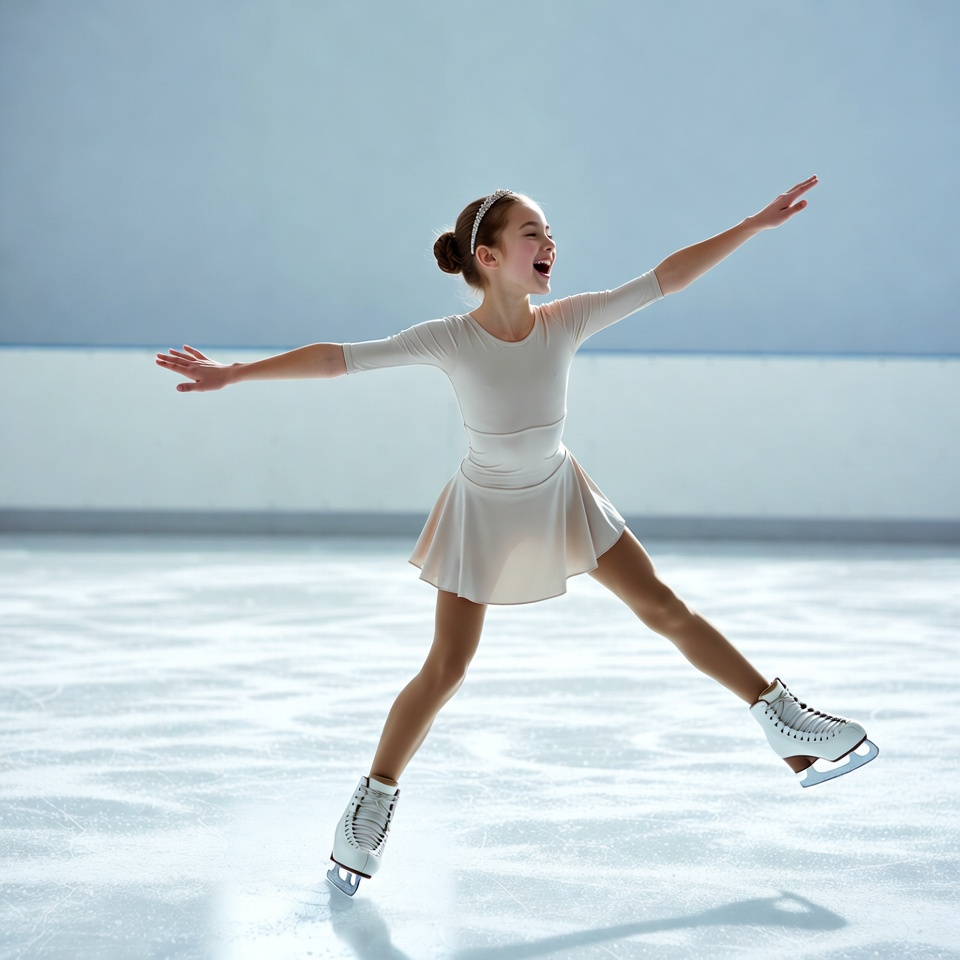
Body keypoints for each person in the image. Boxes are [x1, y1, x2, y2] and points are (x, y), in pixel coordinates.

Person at [156, 177, 877, 896]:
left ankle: (783, 720)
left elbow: (667, 278)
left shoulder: (565, 319)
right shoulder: (448, 339)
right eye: (531, 232)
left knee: (663, 607)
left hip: (561, 489)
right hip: (486, 507)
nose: (548, 242)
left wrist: (749, 225)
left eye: (548, 230)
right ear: (490, 257)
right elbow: (335, 358)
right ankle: (370, 804)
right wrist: (235, 374)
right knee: (448, 667)